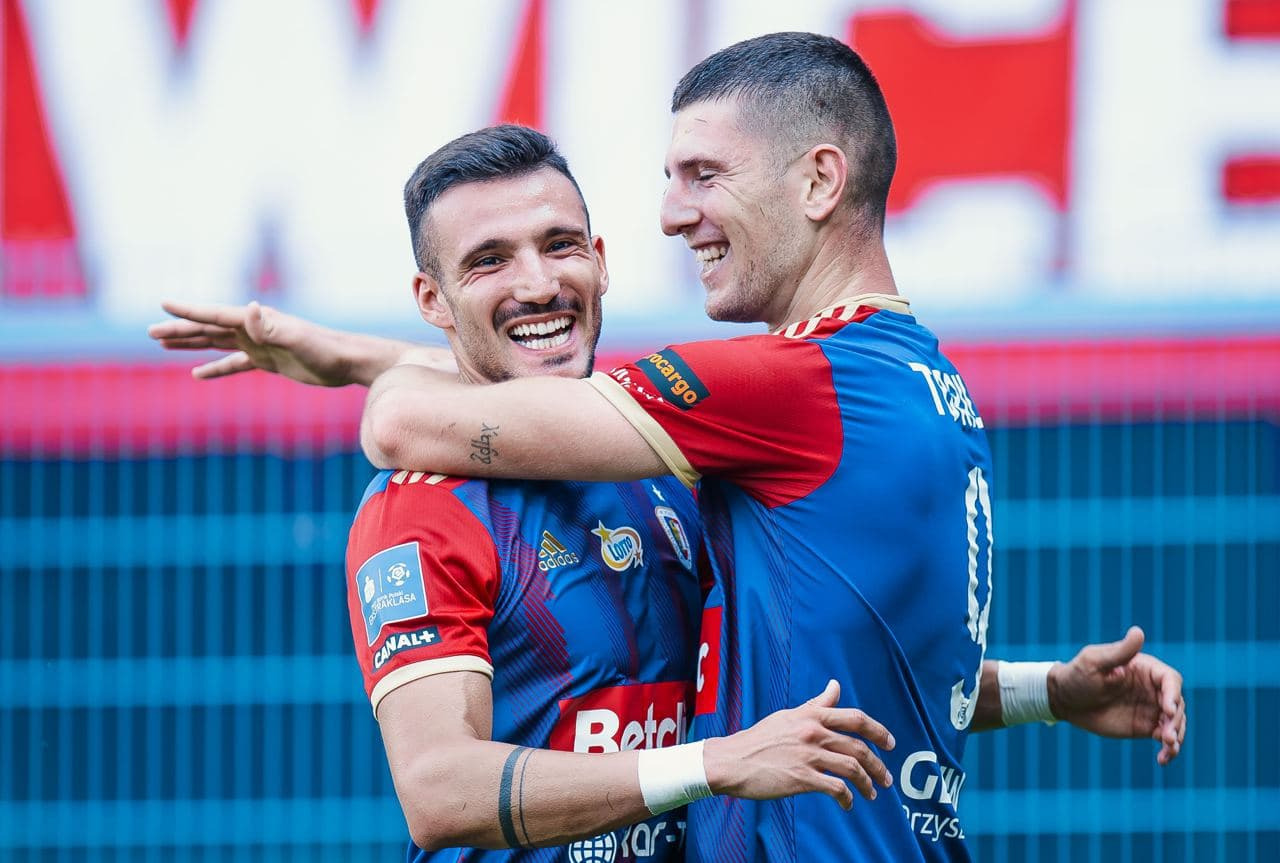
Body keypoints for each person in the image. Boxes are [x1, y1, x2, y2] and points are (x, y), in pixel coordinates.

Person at [329, 35, 1187, 861]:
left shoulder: (762, 403)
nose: (673, 215)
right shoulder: (913, 382)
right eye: (488, 261)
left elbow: (399, 421)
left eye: (704, 176)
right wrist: (1046, 690)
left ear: (818, 181)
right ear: (432, 301)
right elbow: (839, 673)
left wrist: (366, 370)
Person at [155, 125, 899, 862]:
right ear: (433, 300)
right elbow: (440, 790)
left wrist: (355, 357)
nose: (539, 285)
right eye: (489, 261)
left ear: (600, 262)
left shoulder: (666, 466)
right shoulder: (421, 510)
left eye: (560, 245)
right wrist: (709, 765)